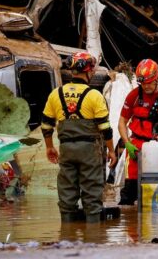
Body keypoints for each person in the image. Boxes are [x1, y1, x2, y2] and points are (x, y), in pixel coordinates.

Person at [41, 51, 117, 223]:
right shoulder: (94, 95)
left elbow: (46, 125)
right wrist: (112, 151)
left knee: (67, 193)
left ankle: (67, 235)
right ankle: (93, 236)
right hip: (89, 151)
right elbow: (105, 128)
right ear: (89, 71)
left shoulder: (56, 94)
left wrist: (49, 147)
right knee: (92, 195)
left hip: (66, 150)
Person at [117, 59, 158, 205]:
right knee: (129, 192)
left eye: (149, 83)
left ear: (157, 79)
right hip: (137, 146)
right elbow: (122, 121)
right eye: (143, 83)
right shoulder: (133, 96)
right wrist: (127, 143)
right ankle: (129, 224)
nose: (146, 86)